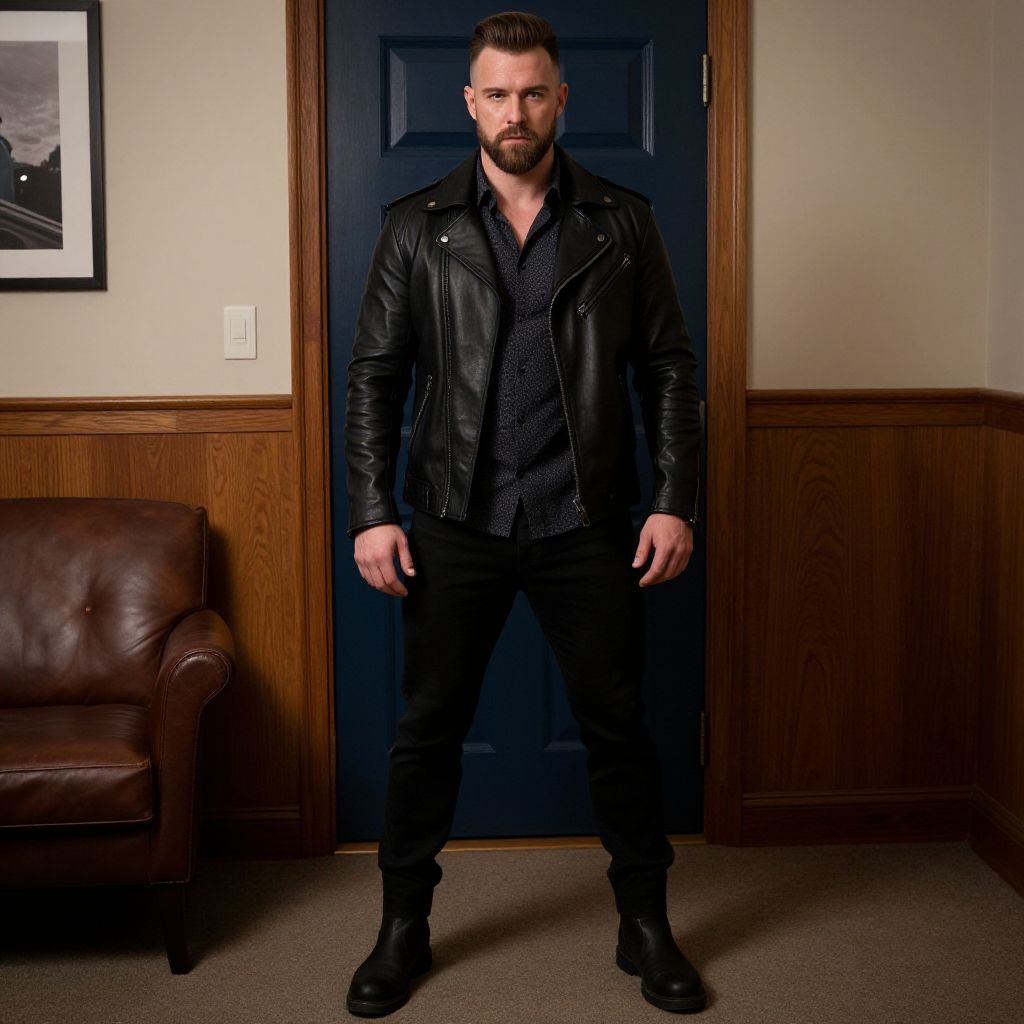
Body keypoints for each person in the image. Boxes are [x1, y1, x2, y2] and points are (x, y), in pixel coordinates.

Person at [343, 11, 706, 1017]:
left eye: (533, 91)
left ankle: (644, 927)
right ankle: (401, 927)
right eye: (497, 93)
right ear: (469, 102)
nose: (516, 111)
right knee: (426, 731)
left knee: (619, 727)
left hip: (585, 517)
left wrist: (673, 499)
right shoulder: (415, 226)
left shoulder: (620, 223)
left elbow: (670, 370)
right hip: (453, 521)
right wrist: (373, 509)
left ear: (560, 98)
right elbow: (373, 377)